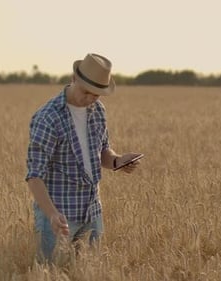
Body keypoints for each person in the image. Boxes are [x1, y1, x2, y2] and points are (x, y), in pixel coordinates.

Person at [25, 53, 141, 262]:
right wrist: (51, 214)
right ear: (73, 78)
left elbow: (103, 151)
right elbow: (34, 176)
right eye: (85, 92)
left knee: (91, 271)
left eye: (96, 95)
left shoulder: (98, 111)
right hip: (59, 216)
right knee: (51, 273)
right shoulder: (47, 118)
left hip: (92, 211)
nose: (89, 99)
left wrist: (118, 161)